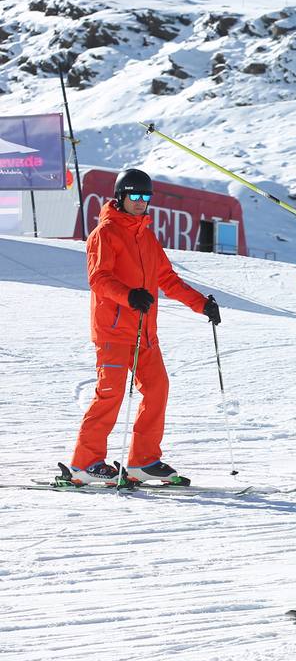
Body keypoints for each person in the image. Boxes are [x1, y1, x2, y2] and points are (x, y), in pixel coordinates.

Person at [67, 168, 221, 485]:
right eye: (134, 195)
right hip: (113, 332)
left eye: (145, 196)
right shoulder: (105, 233)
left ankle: (143, 461)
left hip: (145, 334)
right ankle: (85, 463)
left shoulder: (146, 236)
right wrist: (129, 295)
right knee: (110, 395)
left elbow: (167, 279)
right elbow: (98, 279)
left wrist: (200, 303)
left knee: (157, 389)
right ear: (121, 196)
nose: (140, 202)